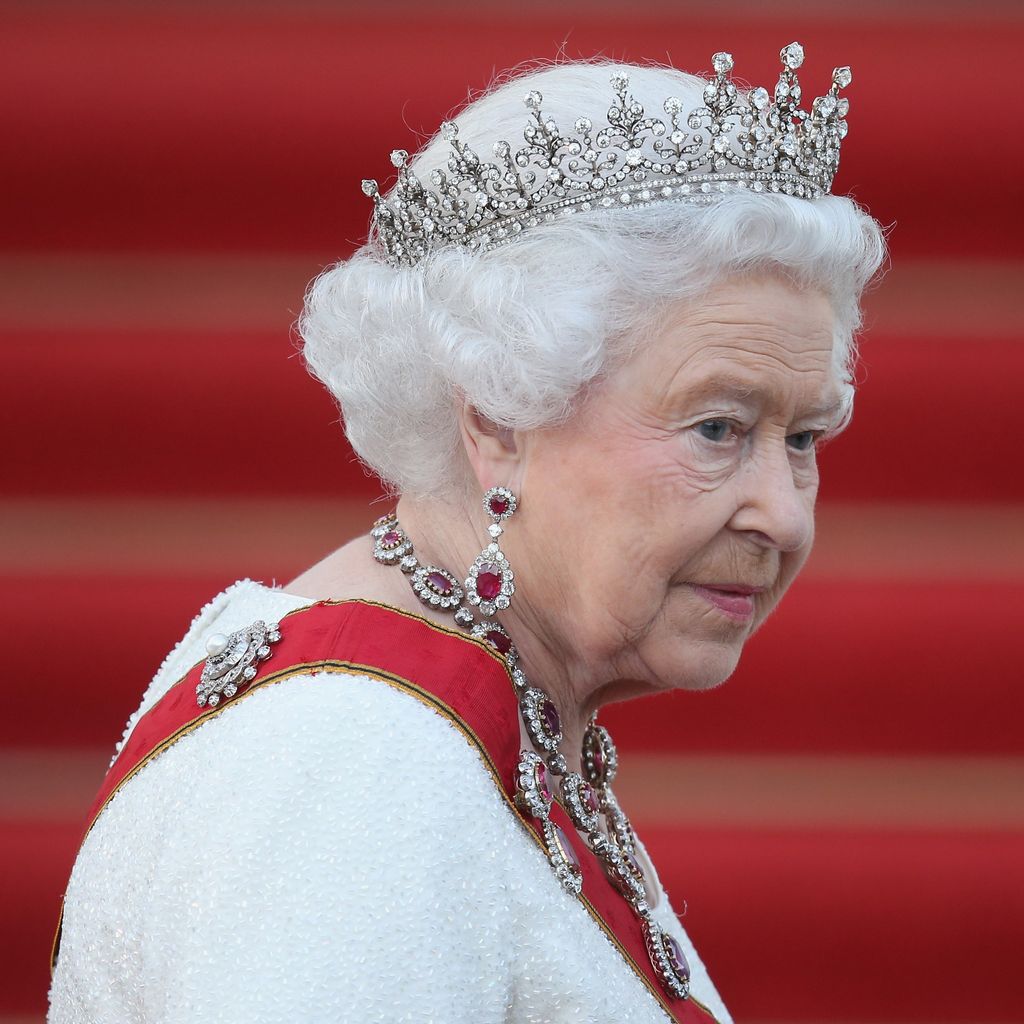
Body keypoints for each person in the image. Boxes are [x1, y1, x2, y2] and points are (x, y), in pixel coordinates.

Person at [48, 46, 888, 1024]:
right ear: (494, 413)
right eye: (717, 428)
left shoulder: (468, 715)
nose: (782, 513)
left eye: (805, 437)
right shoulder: (352, 759)